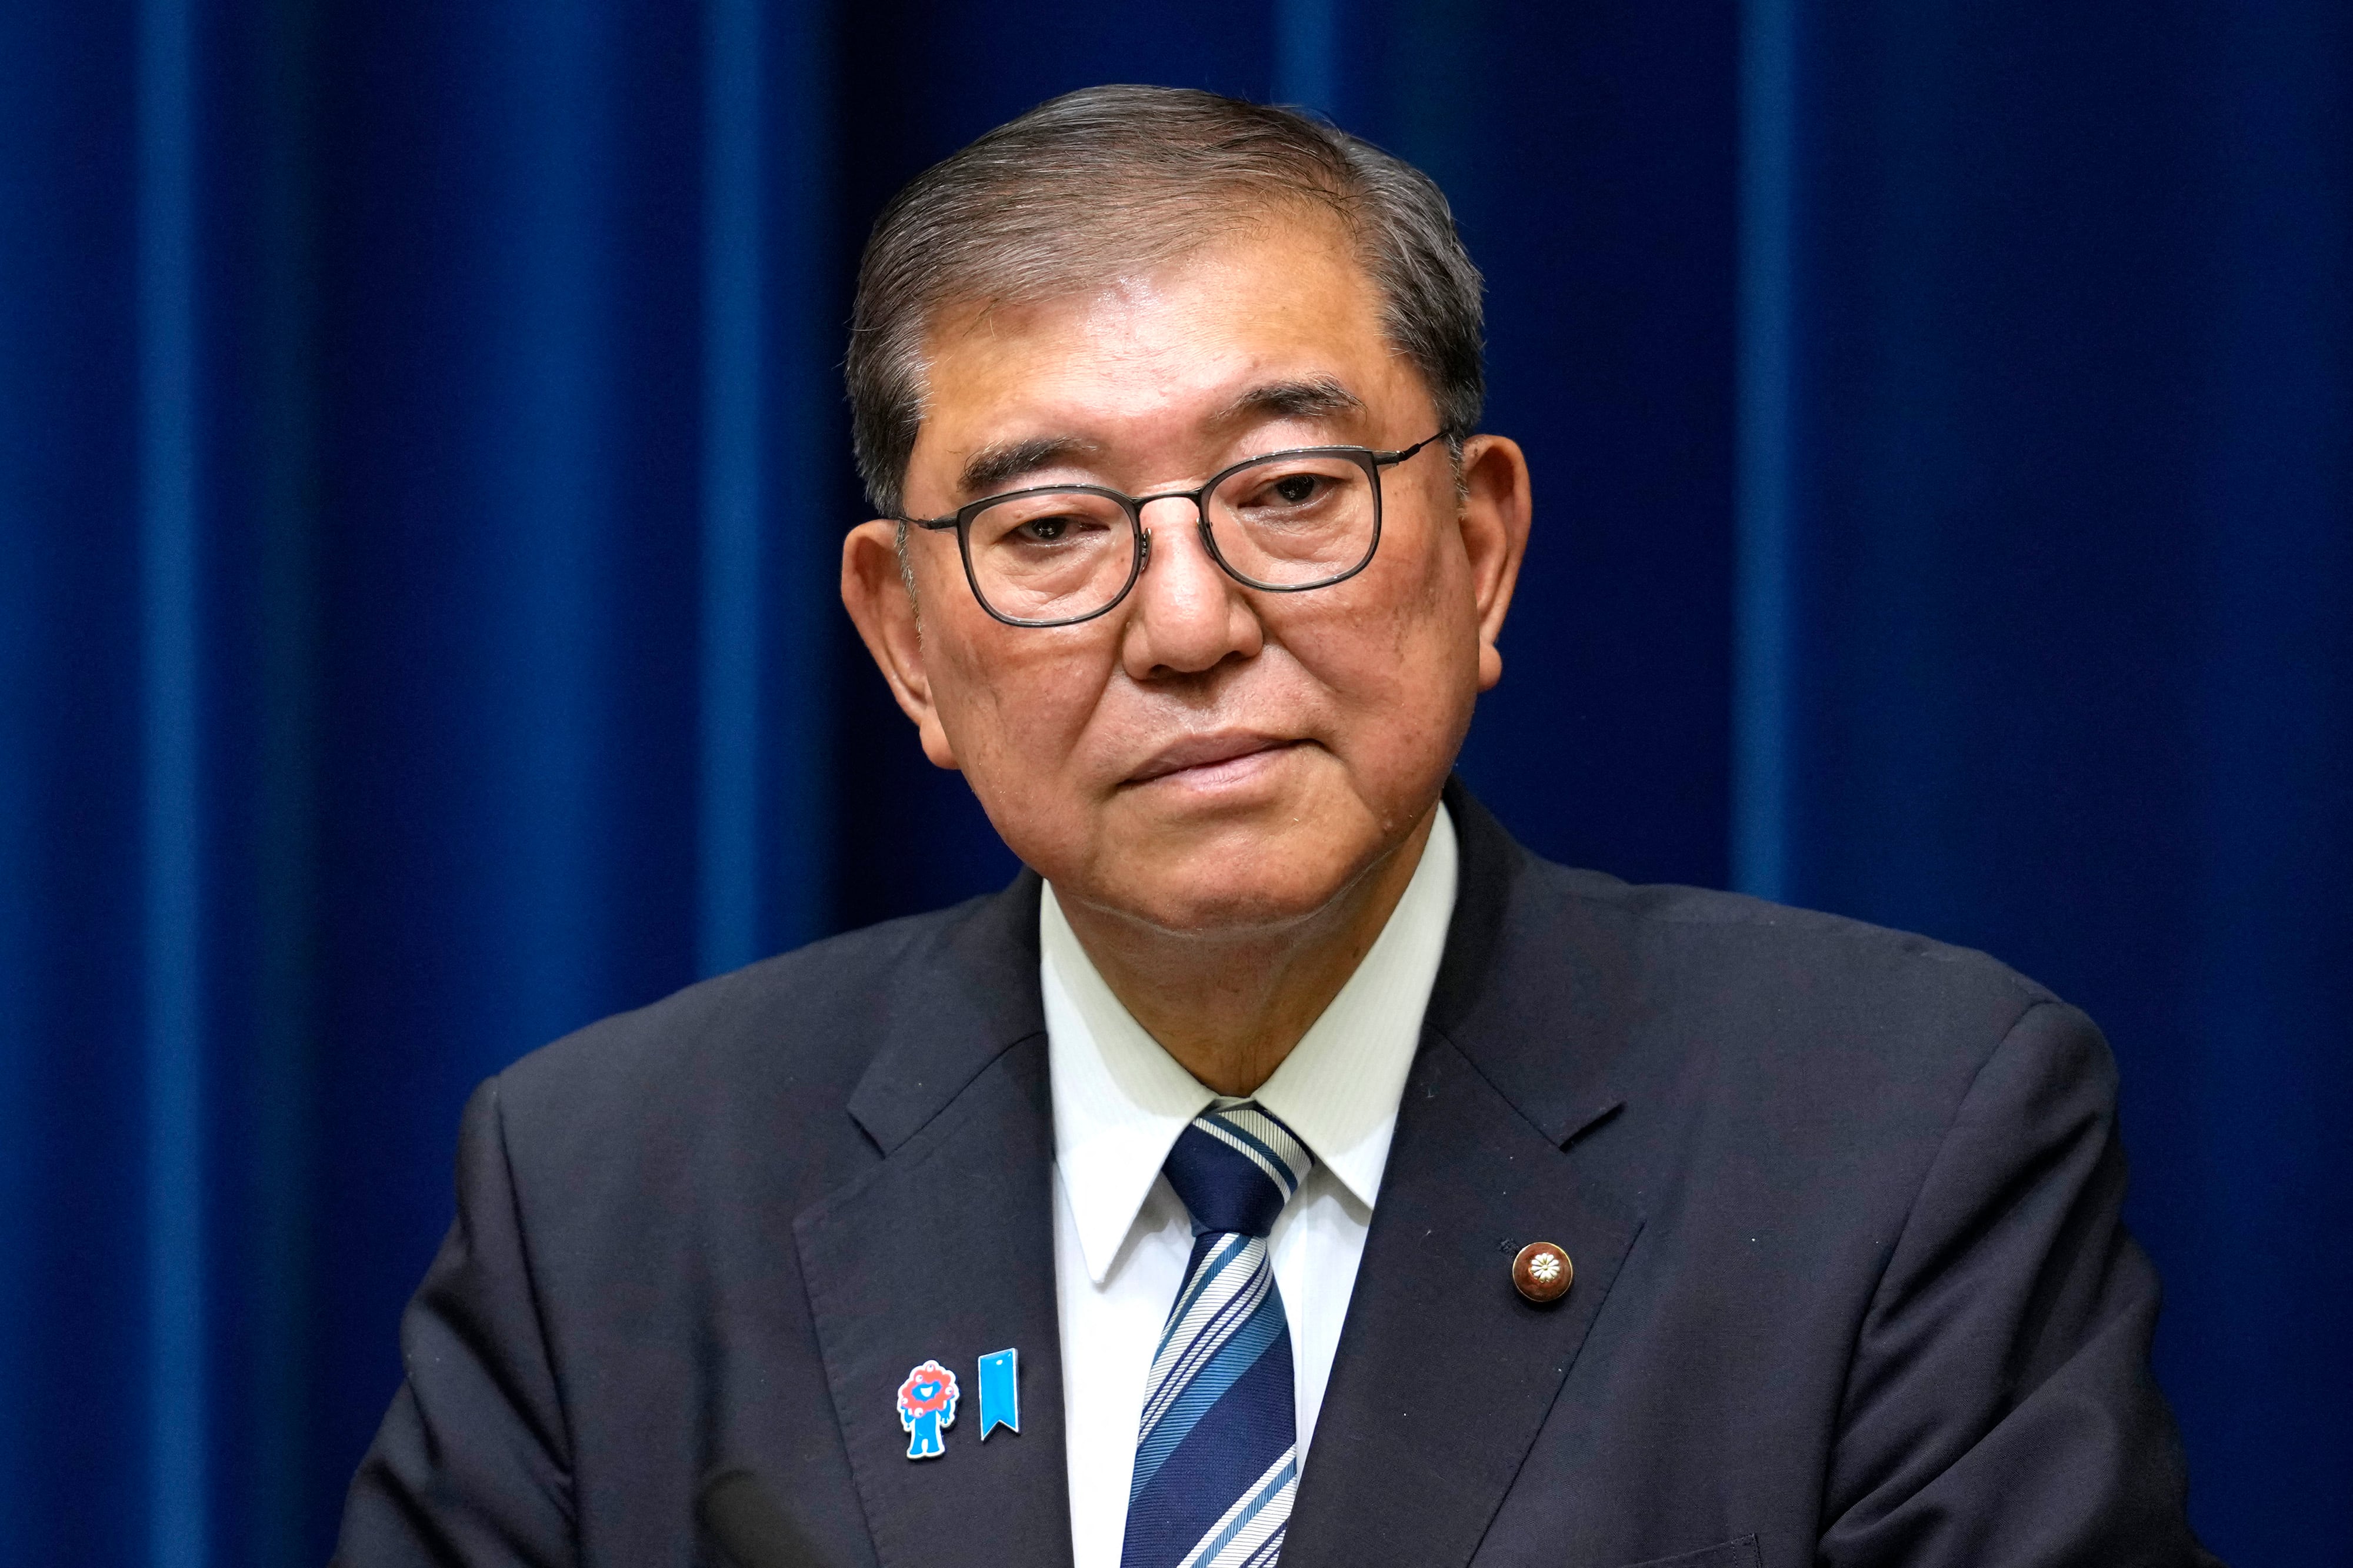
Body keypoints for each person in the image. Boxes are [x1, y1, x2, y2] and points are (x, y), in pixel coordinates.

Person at [336, 86, 2215, 1568]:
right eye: (1053, 526)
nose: (1186, 623)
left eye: (1292, 489)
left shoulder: (1898, 1140)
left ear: (1479, 546)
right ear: (907, 642)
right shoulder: (608, 1200)